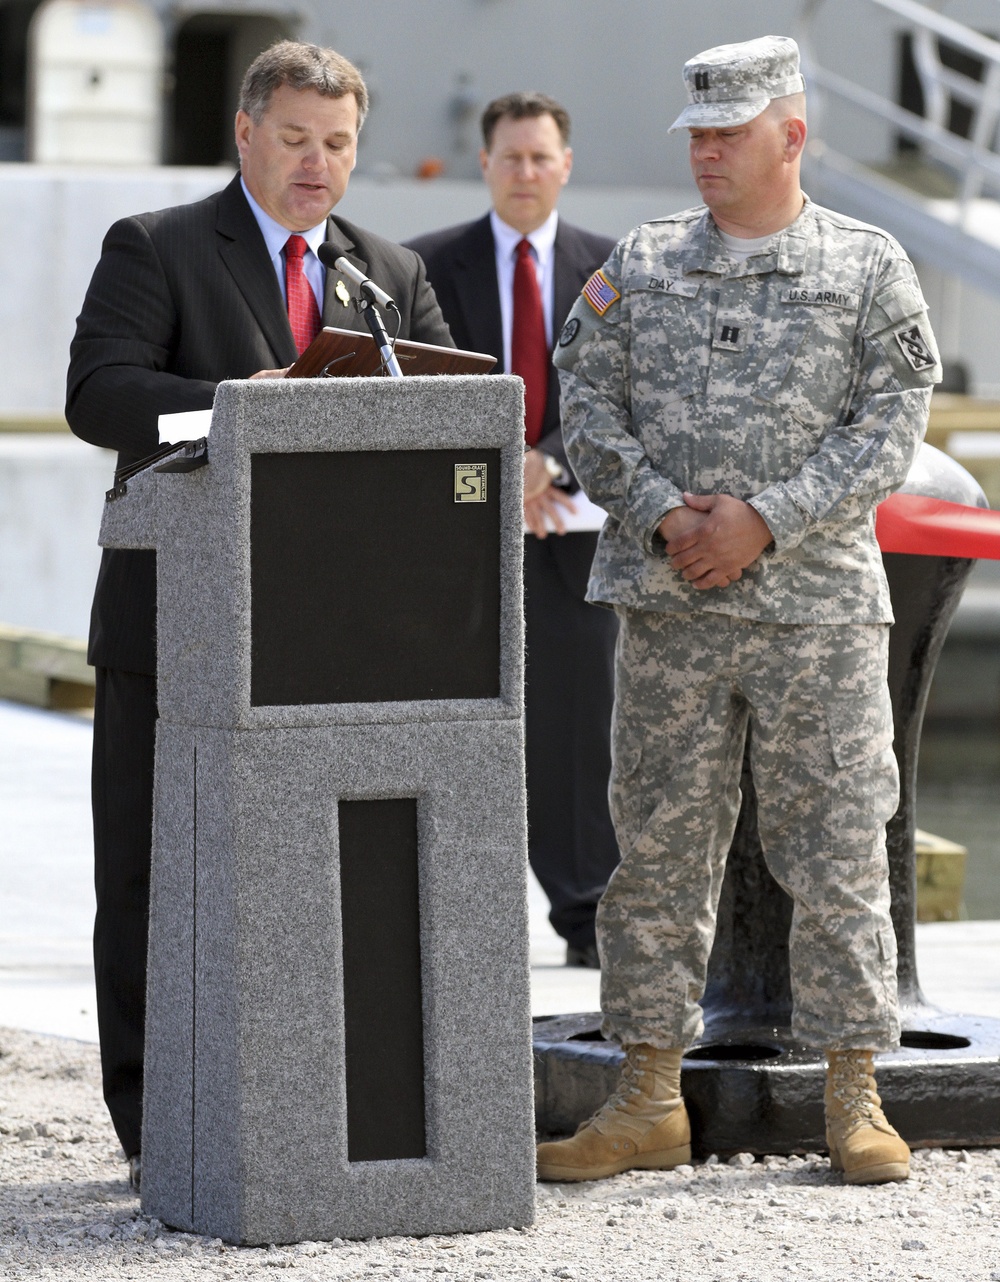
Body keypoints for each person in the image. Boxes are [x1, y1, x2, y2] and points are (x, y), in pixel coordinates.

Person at [536, 35, 940, 1186]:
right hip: (670, 607)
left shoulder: (867, 267)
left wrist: (765, 516)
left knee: (838, 850)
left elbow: (888, 429)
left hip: (813, 610)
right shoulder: (642, 262)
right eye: (697, 135)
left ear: (791, 135)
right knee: (656, 851)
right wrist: (668, 513)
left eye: (728, 133)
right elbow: (589, 403)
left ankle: (853, 1093)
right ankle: (647, 1091)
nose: (706, 153)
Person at [66, 40, 452, 1188]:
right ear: (246, 134)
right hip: (177, 623)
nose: (317, 165)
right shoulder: (161, 247)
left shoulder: (385, 273)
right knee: (149, 875)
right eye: (296, 140)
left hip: (340, 635)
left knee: (309, 882)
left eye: (337, 145)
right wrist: (245, 405)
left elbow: (431, 422)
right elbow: (99, 392)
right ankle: (154, 1124)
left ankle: (304, 1107)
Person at [406, 93, 620, 967]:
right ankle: (458, 925)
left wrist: (550, 461)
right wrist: (503, 461)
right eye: (510, 157)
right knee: (455, 723)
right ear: (485, 163)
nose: (525, 173)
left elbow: (624, 392)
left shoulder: (611, 271)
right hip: (460, 533)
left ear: (566, 164)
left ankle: (586, 918)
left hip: (573, 529)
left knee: (578, 728)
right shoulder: (425, 265)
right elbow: (420, 384)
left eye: (541, 158)